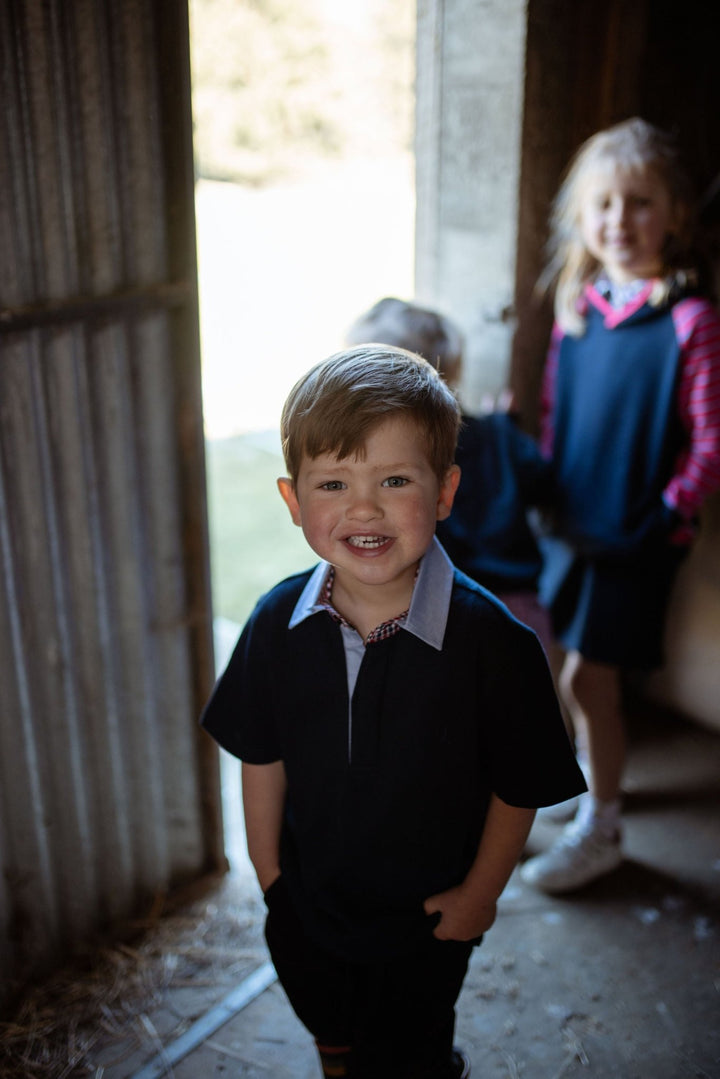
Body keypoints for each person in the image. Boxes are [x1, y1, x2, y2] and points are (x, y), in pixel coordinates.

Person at [201, 345, 586, 1079]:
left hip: (428, 918)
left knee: (406, 1053)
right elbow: (260, 750)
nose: (364, 507)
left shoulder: (493, 643)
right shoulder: (276, 621)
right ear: (293, 501)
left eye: (396, 479)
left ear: (445, 492)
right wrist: (271, 872)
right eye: (334, 482)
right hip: (308, 904)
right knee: (333, 1033)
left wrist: (480, 895)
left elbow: (519, 782)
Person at [521, 117, 720, 895]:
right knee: (563, 663)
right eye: (604, 204)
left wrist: (668, 512)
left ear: (674, 213)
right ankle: (586, 787)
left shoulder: (689, 321)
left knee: (589, 683)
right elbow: (556, 411)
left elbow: (710, 440)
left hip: (633, 537)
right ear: (582, 217)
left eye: (640, 202)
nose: (620, 220)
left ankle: (601, 828)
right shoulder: (580, 308)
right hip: (571, 527)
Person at [345, 297, 555, 647]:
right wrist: (504, 431)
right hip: (520, 613)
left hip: (442, 613)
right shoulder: (500, 435)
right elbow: (545, 485)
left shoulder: (390, 464)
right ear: (452, 370)